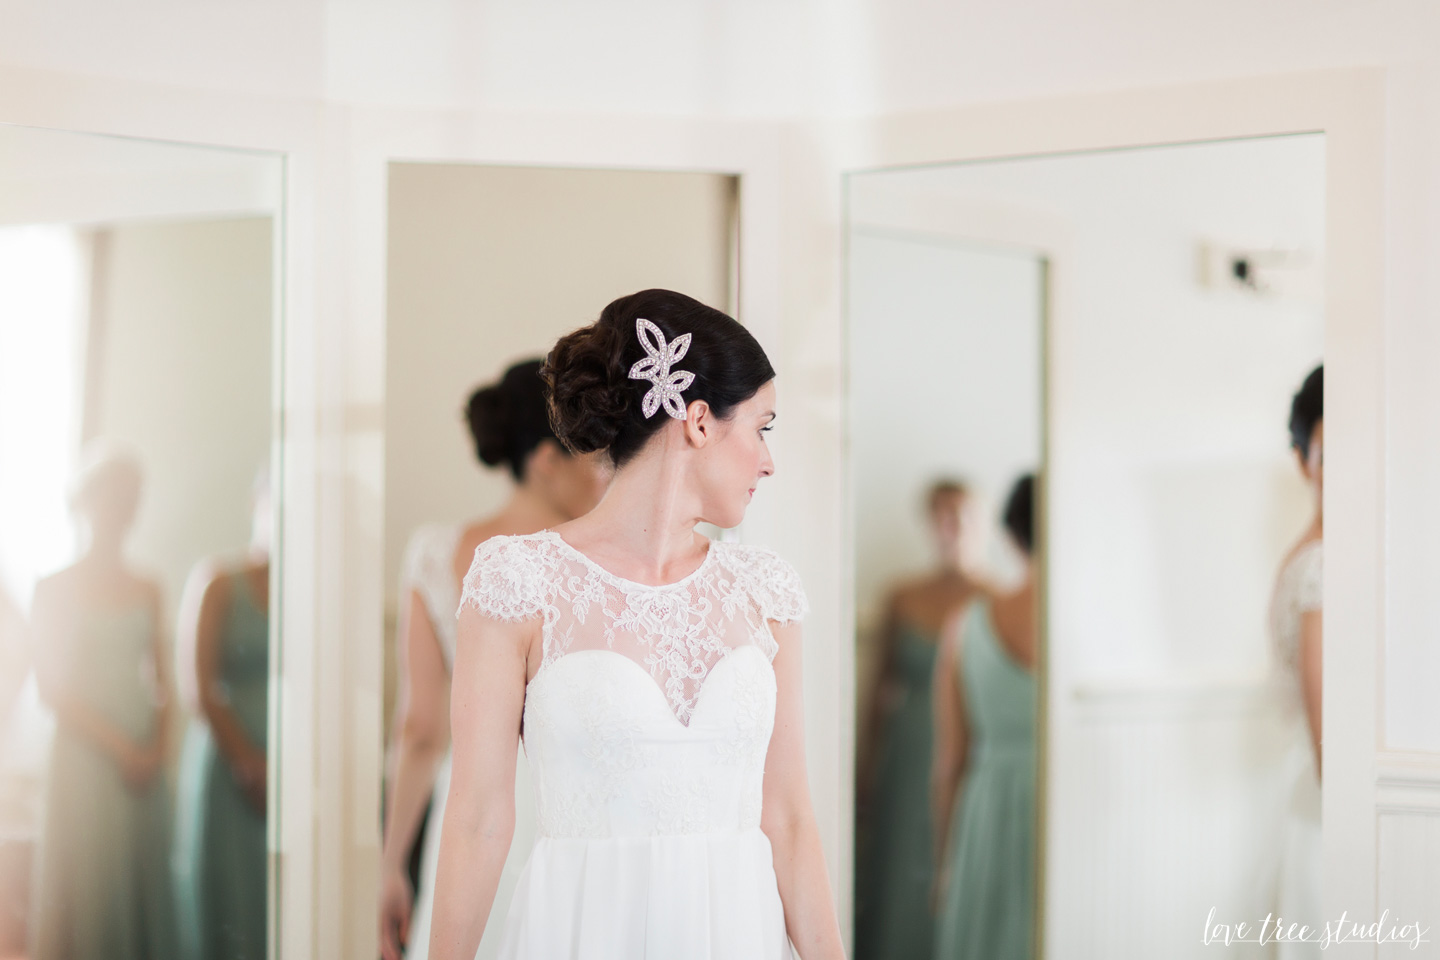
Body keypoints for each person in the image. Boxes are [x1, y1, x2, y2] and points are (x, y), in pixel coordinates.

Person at [427, 289, 845, 960]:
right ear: (700, 421)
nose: (770, 461)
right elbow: (477, 820)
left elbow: (790, 820)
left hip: (736, 937)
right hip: (581, 934)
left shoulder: (766, 592)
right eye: (762, 427)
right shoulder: (517, 581)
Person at [379, 360, 611, 960]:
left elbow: (421, 730)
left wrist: (391, 864)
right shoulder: (606, 565)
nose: (606, 470)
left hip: (470, 807)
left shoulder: (438, 553)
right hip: (574, 807)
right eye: (591, 452)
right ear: (544, 461)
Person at [29, 446, 177, 960]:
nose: (120, 511)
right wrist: (119, 746)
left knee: (141, 886)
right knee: (88, 887)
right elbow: (50, 689)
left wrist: (158, 745)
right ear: (85, 504)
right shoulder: (52, 587)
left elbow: (165, 681)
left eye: (129, 500)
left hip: (142, 758)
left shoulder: (149, 586)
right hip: (85, 756)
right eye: (111, 499)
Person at [854, 480, 982, 960]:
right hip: (907, 751)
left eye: (964, 515)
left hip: (967, 746)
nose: (954, 528)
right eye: (943, 516)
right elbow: (878, 689)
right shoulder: (903, 596)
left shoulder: (992, 599)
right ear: (930, 523)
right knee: (901, 862)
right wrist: (866, 767)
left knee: (952, 857)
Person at [931, 474, 1037, 960]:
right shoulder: (1090, 626)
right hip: (1062, 805)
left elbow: (950, 761)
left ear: (1010, 535)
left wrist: (944, 866)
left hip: (988, 812)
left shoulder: (964, 626)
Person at [171, 467, 273, 960]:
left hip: (284, 762)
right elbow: (198, 685)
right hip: (229, 762)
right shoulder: (217, 580)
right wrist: (249, 761)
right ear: (258, 505)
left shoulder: (310, 594)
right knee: (225, 891)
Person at [1269, 364, 1322, 957]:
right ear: (1304, 459)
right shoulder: (1321, 565)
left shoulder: (1308, 551)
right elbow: (1330, 748)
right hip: (1326, 812)